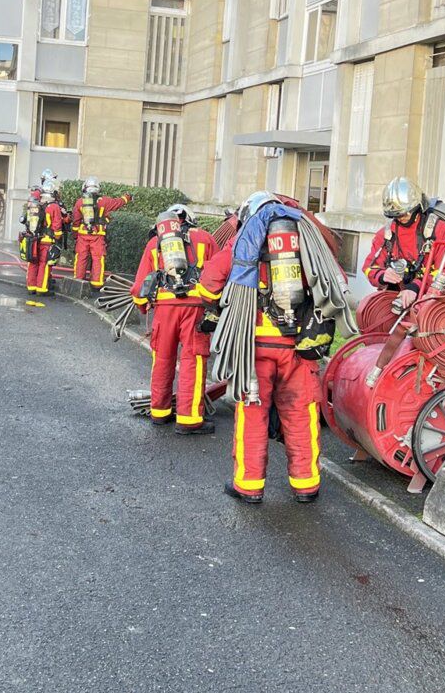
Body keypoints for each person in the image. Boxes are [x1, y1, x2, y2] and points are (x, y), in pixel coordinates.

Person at [197, 192, 342, 503]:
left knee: (252, 416)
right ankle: (306, 485)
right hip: (300, 349)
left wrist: (221, 302)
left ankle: (248, 486)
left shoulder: (241, 246)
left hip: (253, 350)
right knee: (301, 415)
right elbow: (334, 283)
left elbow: (208, 284)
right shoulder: (306, 246)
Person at [130, 205, 218, 434]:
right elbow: (219, 274)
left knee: (162, 358)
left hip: (164, 309)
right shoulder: (204, 238)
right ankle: (189, 420)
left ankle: (159, 412)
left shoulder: (155, 243)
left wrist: (142, 306)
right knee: (193, 360)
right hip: (195, 308)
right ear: (190, 219)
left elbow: (140, 284)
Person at [362, 176, 445, 305]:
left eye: (404, 213)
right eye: (396, 215)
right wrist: (382, 275)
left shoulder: (439, 231)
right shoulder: (386, 235)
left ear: (417, 207)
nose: (401, 218)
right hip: (397, 296)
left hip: (431, 298)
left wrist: (416, 286)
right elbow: (369, 267)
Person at [70, 177, 132, 294]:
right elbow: (118, 202)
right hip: (98, 235)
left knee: (81, 258)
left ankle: (78, 281)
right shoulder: (105, 201)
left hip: (83, 235)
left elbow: (76, 222)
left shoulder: (79, 202)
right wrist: (126, 198)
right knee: (98, 259)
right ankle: (96, 284)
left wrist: (75, 235)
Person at [19, 185, 63, 309]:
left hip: (33, 240)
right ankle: (41, 289)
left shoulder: (35, 205)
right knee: (44, 264)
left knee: (33, 262)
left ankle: (31, 287)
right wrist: (58, 238)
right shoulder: (53, 207)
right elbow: (57, 226)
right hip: (47, 240)